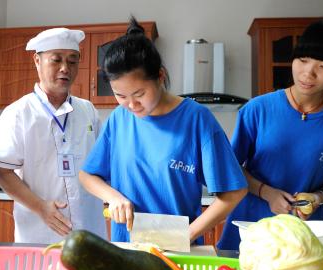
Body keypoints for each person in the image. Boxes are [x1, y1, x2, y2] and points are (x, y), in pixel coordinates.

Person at [79, 18, 248, 244]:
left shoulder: (197, 119)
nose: (131, 105)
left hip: (180, 251)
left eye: (139, 94)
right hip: (126, 248)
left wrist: (185, 236)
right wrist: (113, 197)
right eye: (120, 96)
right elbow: (87, 175)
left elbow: (233, 192)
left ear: (160, 76)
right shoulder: (119, 119)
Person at [217, 19, 323, 250]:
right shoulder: (257, 109)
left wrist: (317, 198)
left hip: (302, 236)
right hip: (248, 230)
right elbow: (233, 168)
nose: (308, 73)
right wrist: (266, 193)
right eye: (303, 60)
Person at [0, 28, 106, 244]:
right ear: (37, 61)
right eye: (56, 60)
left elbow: (102, 164)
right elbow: (2, 173)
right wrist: (41, 207)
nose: (64, 69)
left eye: (72, 61)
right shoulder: (18, 113)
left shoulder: (88, 110)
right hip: (40, 233)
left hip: (90, 230)